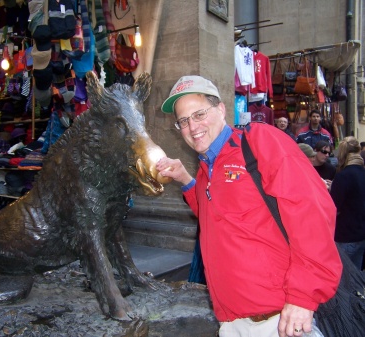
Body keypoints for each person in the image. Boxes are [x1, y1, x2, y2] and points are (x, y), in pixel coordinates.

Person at [156, 75, 342, 337]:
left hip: (277, 321)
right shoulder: (207, 166)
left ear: (220, 109)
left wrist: (303, 296)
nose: (191, 126)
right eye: (183, 121)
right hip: (232, 322)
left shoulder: (259, 142)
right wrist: (185, 180)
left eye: (198, 114)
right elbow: (218, 217)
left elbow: (312, 212)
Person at [330, 136, 365, 270]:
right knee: (356, 279)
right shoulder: (362, 173)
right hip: (361, 233)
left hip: (345, 235)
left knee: (344, 280)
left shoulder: (343, 176)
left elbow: (334, 208)